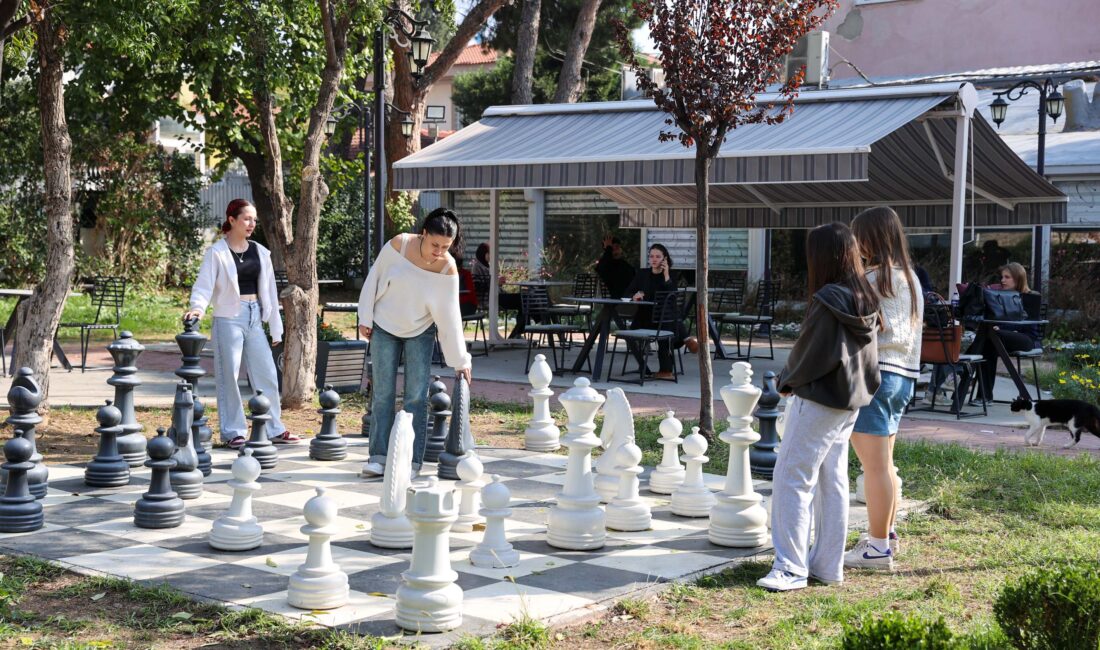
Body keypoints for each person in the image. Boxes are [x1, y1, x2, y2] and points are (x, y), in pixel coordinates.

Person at [757, 222, 880, 592]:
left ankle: (790, 568)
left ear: (823, 256)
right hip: (849, 403)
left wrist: (785, 381)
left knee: (791, 477)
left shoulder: (828, 298)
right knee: (832, 481)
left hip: (819, 400)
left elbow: (810, 353)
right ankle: (827, 566)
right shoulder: (865, 296)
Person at [357, 208, 473, 476]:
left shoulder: (447, 268)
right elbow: (373, 279)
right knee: (383, 394)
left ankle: (411, 461)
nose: (439, 251)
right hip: (384, 326)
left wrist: (460, 360)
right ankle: (378, 456)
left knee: (416, 397)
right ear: (423, 234)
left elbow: (450, 316)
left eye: (446, 247)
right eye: (435, 244)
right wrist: (365, 316)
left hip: (420, 331)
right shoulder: (399, 244)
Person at [184, 199, 300, 449]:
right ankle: (233, 431)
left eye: (254, 219)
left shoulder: (260, 251)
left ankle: (273, 428)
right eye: (247, 218)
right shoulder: (217, 252)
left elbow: (269, 290)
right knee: (230, 376)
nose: (251, 224)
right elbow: (203, 286)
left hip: (255, 315)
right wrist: (197, 308)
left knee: (267, 373)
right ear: (232, 220)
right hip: (228, 318)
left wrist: (275, 327)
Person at [845, 206, 923, 571]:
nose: (854, 243)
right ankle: (885, 534)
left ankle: (877, 548)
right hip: (904, 375)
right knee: (885, 464)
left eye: (857, 236)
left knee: (874, 468)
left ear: (870, 239)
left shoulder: (872, 278)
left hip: (876, 377)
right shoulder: (911, 278)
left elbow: (865, 330)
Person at [959, 262, 1040, 405]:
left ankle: (965, 369)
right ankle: (984, 396)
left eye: (1007, 277)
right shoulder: (1000, 296)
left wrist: (1004, 329)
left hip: (1026, 339)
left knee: (989, 339)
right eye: (1002, 277)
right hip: (999, 338)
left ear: (1018, 278)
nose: (1002, 280)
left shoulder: (1030, 297)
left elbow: (1030, 327)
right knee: (989, 346)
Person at [623, 244, 697, 380]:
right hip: (644, 319)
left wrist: (666, 274)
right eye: (651, 256)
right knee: (668, 320)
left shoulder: (671, 276)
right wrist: (635, 296)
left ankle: (666, 370)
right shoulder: (642, 274)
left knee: (666, 315)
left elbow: (672, 296)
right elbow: (627, 292)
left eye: (658, 256)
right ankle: (686, 338)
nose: (654, 259)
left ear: (665, 259)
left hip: (662, 321)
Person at [473, 242, 525, 337]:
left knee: (525, 301)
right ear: (484, 253)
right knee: (524, 300)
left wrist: (498, 281)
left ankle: (517, 333)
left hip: (497, 296)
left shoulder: (487, 266)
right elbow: (478, 286)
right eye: (489, 253)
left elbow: (491, 283)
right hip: (490, 299)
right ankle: (517, 333)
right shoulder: (477, 267)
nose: (491, 256)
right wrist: (496, 281)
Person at [595, 235, 635, 299]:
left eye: (618, 247)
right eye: (615, 247)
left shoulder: (624, 265)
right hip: (616, 300)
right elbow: (603, 268)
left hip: (629, 298)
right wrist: (608, 249)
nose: (618, 249)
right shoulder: (605, 264)